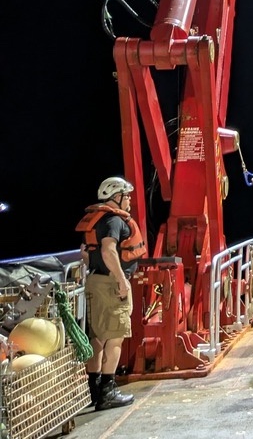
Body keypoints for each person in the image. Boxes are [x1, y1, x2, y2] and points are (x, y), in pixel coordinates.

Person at [76, 176, 145, 410]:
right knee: (115, 337)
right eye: (126, 196)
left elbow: (86, 254)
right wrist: (121, 280)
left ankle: (94, 390)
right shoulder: (115, 221)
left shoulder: (97, 220)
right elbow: (108, 251)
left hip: (95, 280)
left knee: (98, 337)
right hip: (110, 284)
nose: (129, 200)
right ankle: (108, 392)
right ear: (116, 197)